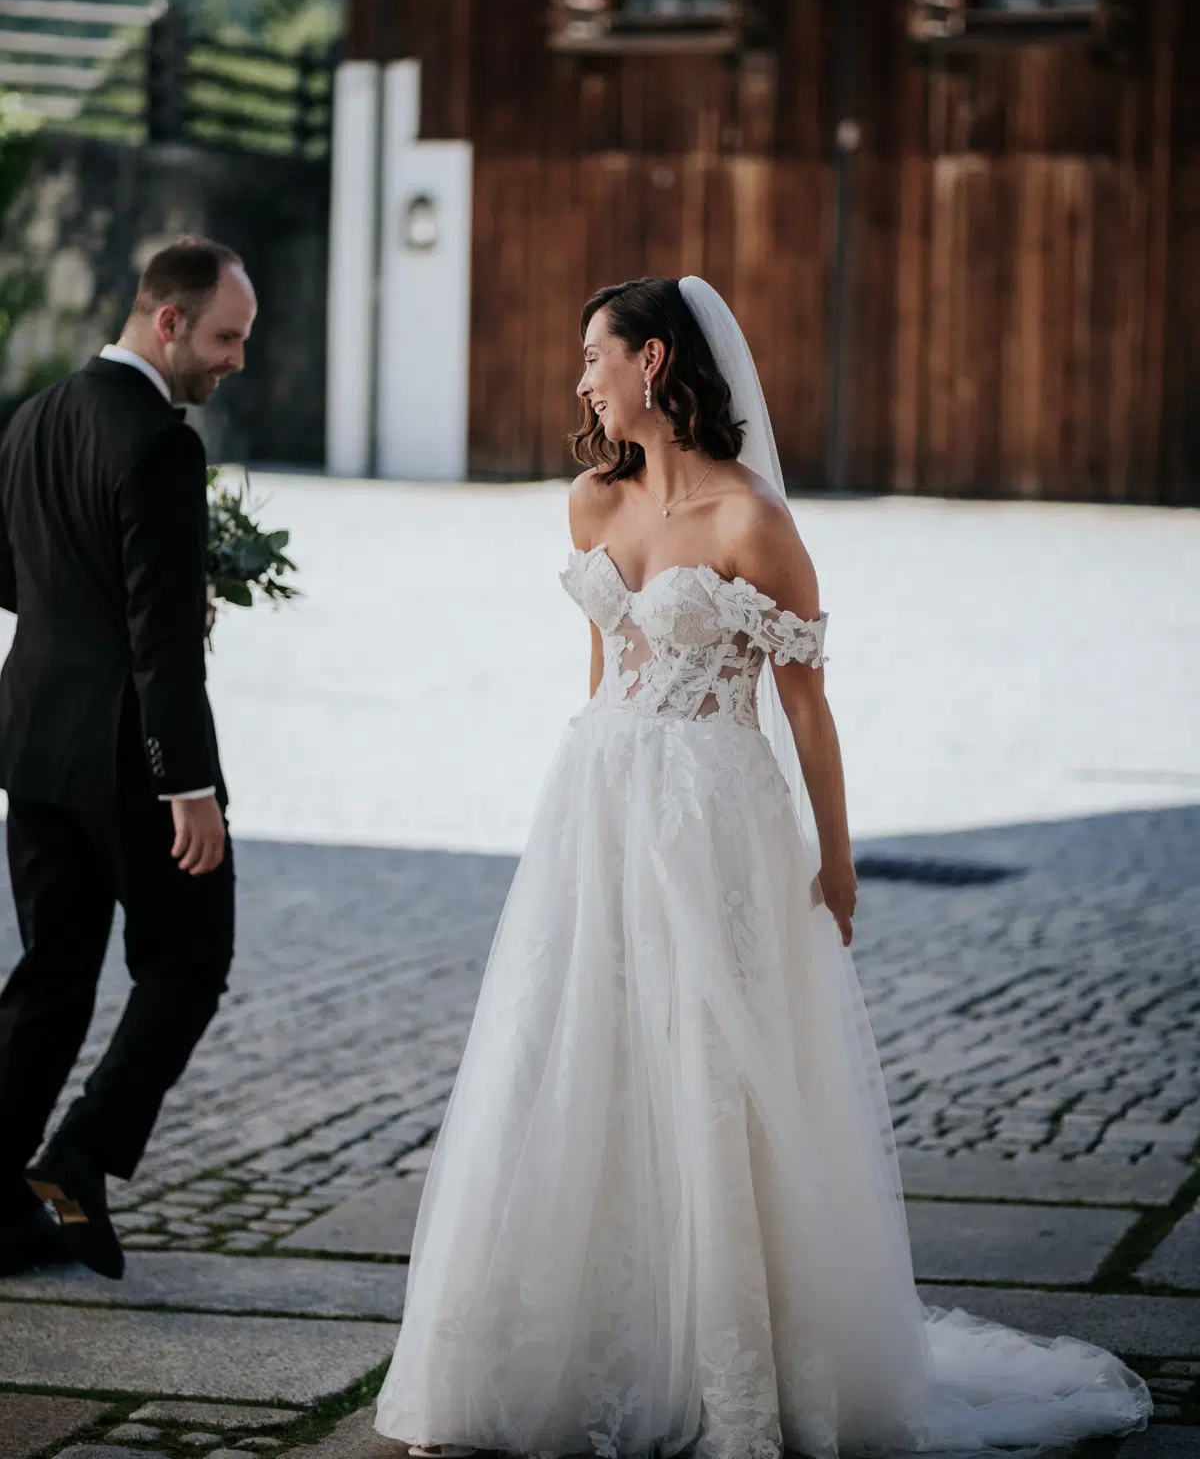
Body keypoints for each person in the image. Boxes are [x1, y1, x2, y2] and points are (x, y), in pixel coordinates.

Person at [375, 275, 1149, 1459]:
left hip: (716, 819)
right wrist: (593, 787)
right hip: (599, 804)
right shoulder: (590, 502)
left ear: (652, 361)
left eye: (594, 356)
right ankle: (561, 1352)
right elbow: (607, 667)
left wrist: (837, 865)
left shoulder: (754, 521)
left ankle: (733, 1365)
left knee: (712, 1058)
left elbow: (807, 709)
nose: (580, 382)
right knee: (578, 1041)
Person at [0, 235, 256, 1280]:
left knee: (52, 974)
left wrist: (91, 601)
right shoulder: (160, 443)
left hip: (33, 744)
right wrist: (187, 786)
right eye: (226, 338)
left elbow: (12, 576)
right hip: (127, 760)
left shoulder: (34, 418)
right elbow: (162, 641)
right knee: (190, 961)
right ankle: (78, 1157)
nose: (236, 359)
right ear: (168, 320)